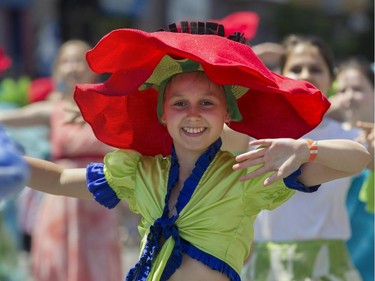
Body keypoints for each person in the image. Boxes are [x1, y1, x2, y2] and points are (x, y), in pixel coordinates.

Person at [21, 22, 370, 281]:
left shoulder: (248, 172)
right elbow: (59, 176)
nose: (193, 114)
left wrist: (305, 149)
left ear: (227, 114)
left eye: (207, 103)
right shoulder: (141, 172)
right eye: (179, 103)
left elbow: (358, 157)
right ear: (162, 113)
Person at [242, 34, 369, 281]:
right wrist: (251, 59)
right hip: (267, 267)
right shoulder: (256, 135)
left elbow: (364, 158)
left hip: (328, 267)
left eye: (316, 68)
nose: (305, 75)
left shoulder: (349, 136)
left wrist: (306, 149)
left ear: (332, 79)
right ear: (280, 76)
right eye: (296, 68)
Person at [0, 40, 124, 281]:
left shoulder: (111, 107)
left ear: (93, 69)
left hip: (99, 200)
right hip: (61, 201)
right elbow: (8, 117)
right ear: (57, 70)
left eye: (79, 60)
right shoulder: (52, 110)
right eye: (66, 61)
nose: (73, 67)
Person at [329, 57, 374, 281]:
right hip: (339, 259)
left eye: (357, 89)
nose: (347, 97)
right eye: (342, 89)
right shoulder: (330, 141)